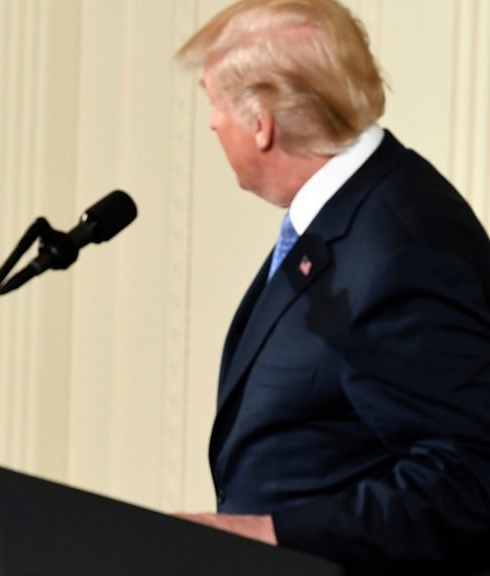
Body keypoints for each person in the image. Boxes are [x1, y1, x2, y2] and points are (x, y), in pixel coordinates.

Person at [173, 0, 490, 574]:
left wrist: (273, 533)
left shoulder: (403, 242)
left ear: (261, 123)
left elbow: (469, 481)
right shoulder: (349, 212)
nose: (213, 122)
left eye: (214, 101)